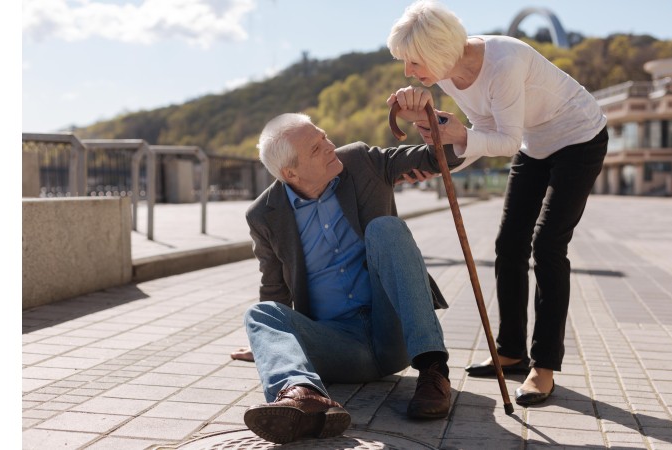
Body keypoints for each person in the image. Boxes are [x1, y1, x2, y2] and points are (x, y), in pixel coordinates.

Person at [386, 0, 609, 407]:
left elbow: (502, 142)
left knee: (547, 245)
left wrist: (457, 136)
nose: (409, 72)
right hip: (534, 143)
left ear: (438, 50)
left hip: (579, 138)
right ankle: (510, 351)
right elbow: (482, 130)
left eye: (414, 61)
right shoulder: (450, 73)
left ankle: (543, 367)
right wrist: (442, 164)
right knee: (509, 245)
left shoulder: (503, 61)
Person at [240, 112, 464, 444]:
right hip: (338, 348)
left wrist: (447, 132)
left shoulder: (360, 161)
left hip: (393, 332)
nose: (330, 146)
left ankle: (433, 371)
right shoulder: (263, 214)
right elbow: (274, 287)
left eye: (324, 136)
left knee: (386, 228)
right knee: (258, 315)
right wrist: (270, 342)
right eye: (317, 148)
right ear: (290, 173)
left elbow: (437, 158)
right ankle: (304, 398)